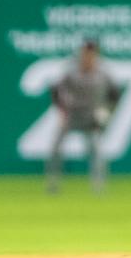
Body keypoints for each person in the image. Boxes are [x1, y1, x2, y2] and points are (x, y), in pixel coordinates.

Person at [44, 39, 123, 195]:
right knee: (55, 149)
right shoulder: (71, 70)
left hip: (91, 115)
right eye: (86, 52)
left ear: (96, 54)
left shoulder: (104, 72)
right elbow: (55, 90)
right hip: (72, 114)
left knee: (96, 150)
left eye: (91, 52)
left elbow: (115, 95)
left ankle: (98, 187)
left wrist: (107, 112)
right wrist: (61, 111)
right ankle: (52, 184)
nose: (88, 55)